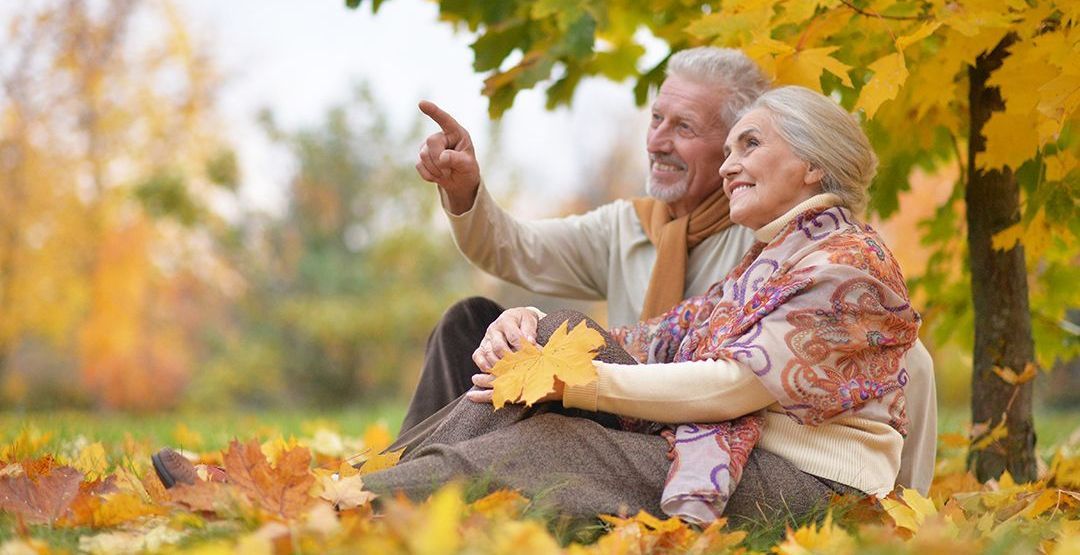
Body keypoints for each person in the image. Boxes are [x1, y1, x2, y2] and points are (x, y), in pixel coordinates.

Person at [350, 85, 927, 523]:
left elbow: (734, 386)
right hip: (734, 445)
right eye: (727, 150)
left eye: (749, 145)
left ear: (813, 164)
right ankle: (377, 484)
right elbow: (656, 338)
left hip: (813, 487)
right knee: (556, 332)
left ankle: (356, 500)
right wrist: (528, 327)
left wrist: (577, 381)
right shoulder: (772, 261)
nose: (728, 166)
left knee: (554, 447)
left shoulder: (847, 265)